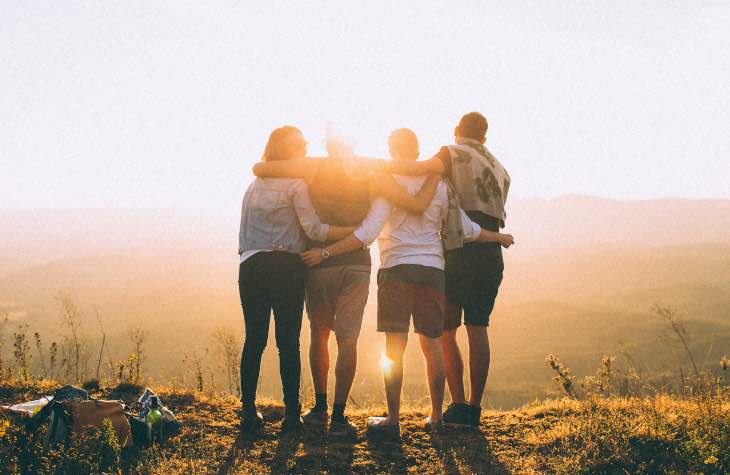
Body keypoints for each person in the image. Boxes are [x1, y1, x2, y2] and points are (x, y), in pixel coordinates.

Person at [301, 129, 514, 437]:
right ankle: (437, 416)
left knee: (394, 349)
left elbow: (368, 232)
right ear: (418, 153)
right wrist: (498, 237)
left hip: (396, 269)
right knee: (432, 345)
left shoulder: (386, 183)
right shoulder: (441, 185)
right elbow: (465, 229)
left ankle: (393, 420)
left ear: (390, 150)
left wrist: (326, 252)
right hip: (432, 271)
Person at [252, 135, 439, 437]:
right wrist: (434, 168)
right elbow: (412, 200)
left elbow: (261, 169)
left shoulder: (311, 167)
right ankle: (339, 416)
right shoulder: (371, 170)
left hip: (318, 262)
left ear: (328, 145)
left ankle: (319, 408)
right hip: (356, 263)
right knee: (348, 339)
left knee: (319, 333)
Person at [388, 112, 511, 428]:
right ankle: (474, 407)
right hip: (490, 250)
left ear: (457, 131)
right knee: (478, 327)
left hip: (459, 247)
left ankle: (455, 406)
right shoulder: (500, 168)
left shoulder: (451, 152)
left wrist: (376, 168)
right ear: (485, 137)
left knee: (446, 329)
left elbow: (418, 169)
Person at [237, 126, 355, 434]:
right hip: (286, 266)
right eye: (301, 145)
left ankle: (248, 413)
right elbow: (314, 231)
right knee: (288, 342)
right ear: (290, 151)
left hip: (250, 265)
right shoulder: (297, 184)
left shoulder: (254, 185)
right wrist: (352, 232)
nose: (305, 149)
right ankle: (292, 416)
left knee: (254, 340)